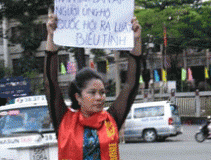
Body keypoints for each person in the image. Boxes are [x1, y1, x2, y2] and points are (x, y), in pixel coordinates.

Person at [44, 13, 141, 160]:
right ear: (78, 97)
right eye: (92, 92)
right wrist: (52, 38)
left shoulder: (112, 119)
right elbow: (50, 82)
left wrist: (136, 40)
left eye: (102, 92)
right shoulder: (64, 120)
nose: (99, 97)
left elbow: (131, 85)